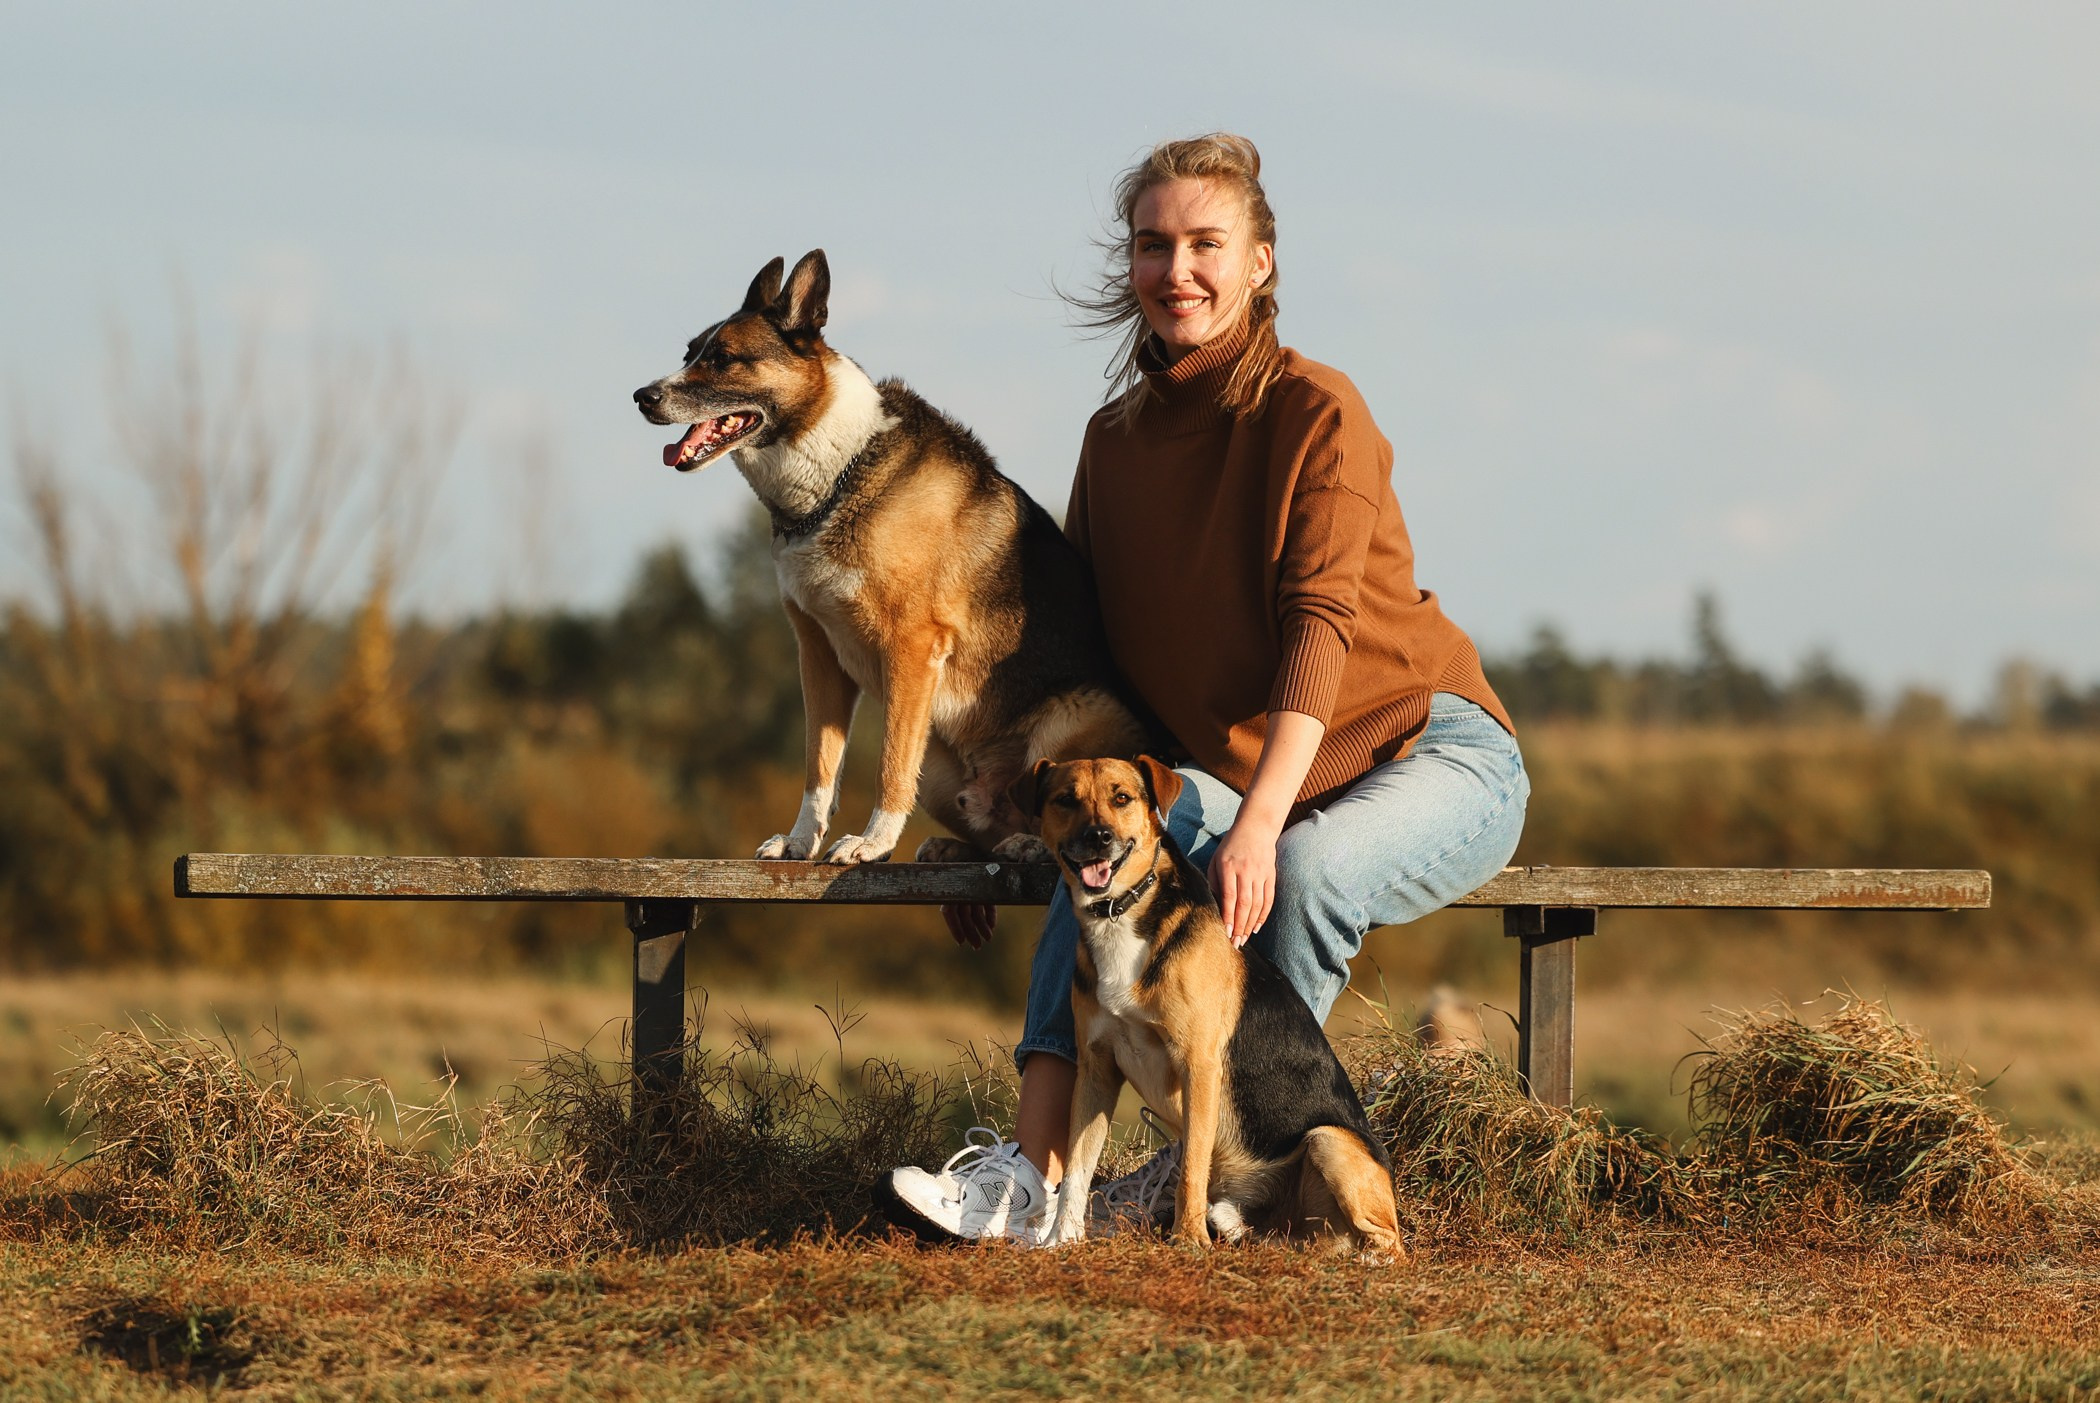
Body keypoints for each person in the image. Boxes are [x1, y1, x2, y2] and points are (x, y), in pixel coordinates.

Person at [887, 133, 1529, 1243]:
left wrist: (1262, 821)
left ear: (1260, 262)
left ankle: (1247, 1175)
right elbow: (1066, 652)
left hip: (1424, 748)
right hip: (1246, 771)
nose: (1175, 268)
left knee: (1309, 865)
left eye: (1205, 243)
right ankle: (1028, 1180)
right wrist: (987, 808)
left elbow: (1318, 632)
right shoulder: (1112, 441)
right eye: (1152, 244)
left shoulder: (1319, 413)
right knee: (1096, 831)